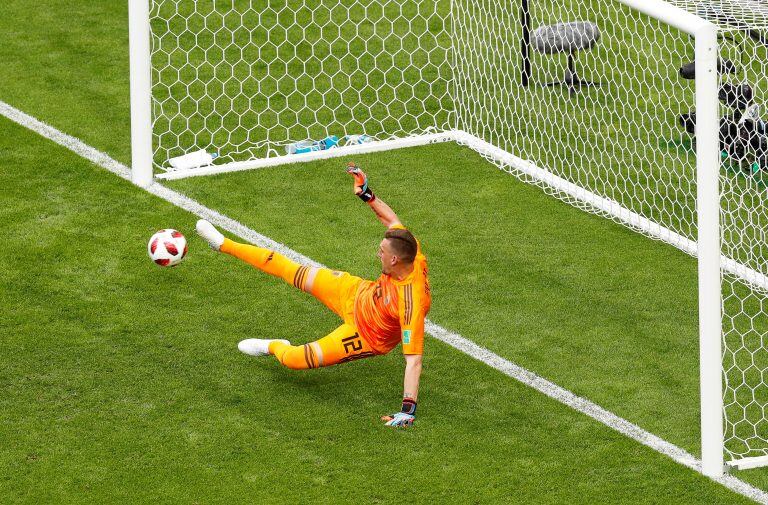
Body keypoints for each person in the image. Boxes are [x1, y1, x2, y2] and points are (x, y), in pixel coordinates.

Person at [195, 162, 431, 427]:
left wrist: (407, 410)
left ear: (396, 259)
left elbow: (414, 360)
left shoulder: (410, 304)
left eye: (382, 252)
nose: (378, 254)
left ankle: (272, 345)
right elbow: (391, 220)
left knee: (296, 360)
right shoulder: (412, 249)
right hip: (356, 292)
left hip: (364, 335)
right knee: (291, 270)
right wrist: (367, 194)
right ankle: (223, 244)